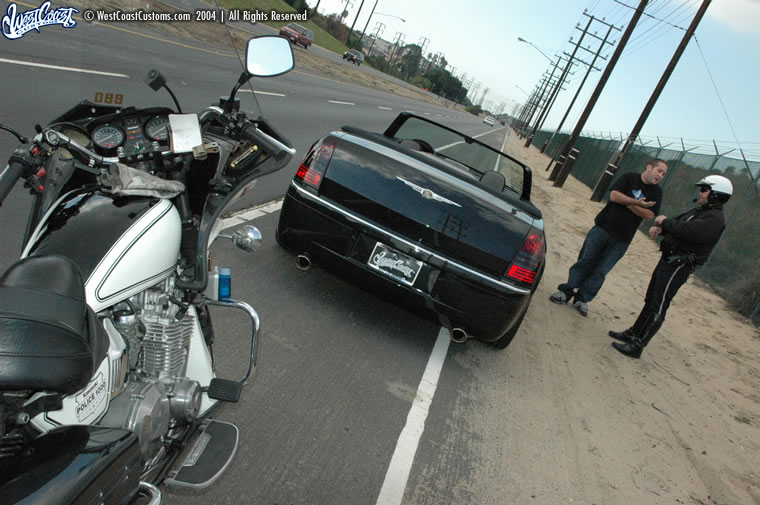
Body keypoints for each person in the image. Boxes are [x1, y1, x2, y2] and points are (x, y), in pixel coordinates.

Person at [610, 175, 732, 359]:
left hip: (679, 264)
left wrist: (664, 222)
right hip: (670, 259)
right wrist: (663, 229)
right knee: (652, 298)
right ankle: (634, 333)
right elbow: (679, 224)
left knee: (659, 304)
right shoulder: (701, 212)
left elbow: (688, 231)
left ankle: (638, 345)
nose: (701, 193)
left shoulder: (714, 219)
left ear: (716, 195)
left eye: (705, 190)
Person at [550, 159, 668, 316]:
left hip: (623, 238)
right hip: (603, 228)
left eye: (664, 174)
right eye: (659, 171)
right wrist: (636, 202)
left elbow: (649, 214)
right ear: (649, 167)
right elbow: (614, 195)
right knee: (585, 260)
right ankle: (567, 291)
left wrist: (627, 203)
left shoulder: (657, 192)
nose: (661, 175)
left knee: (601, 271)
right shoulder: (629, 177)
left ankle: (582, 298)